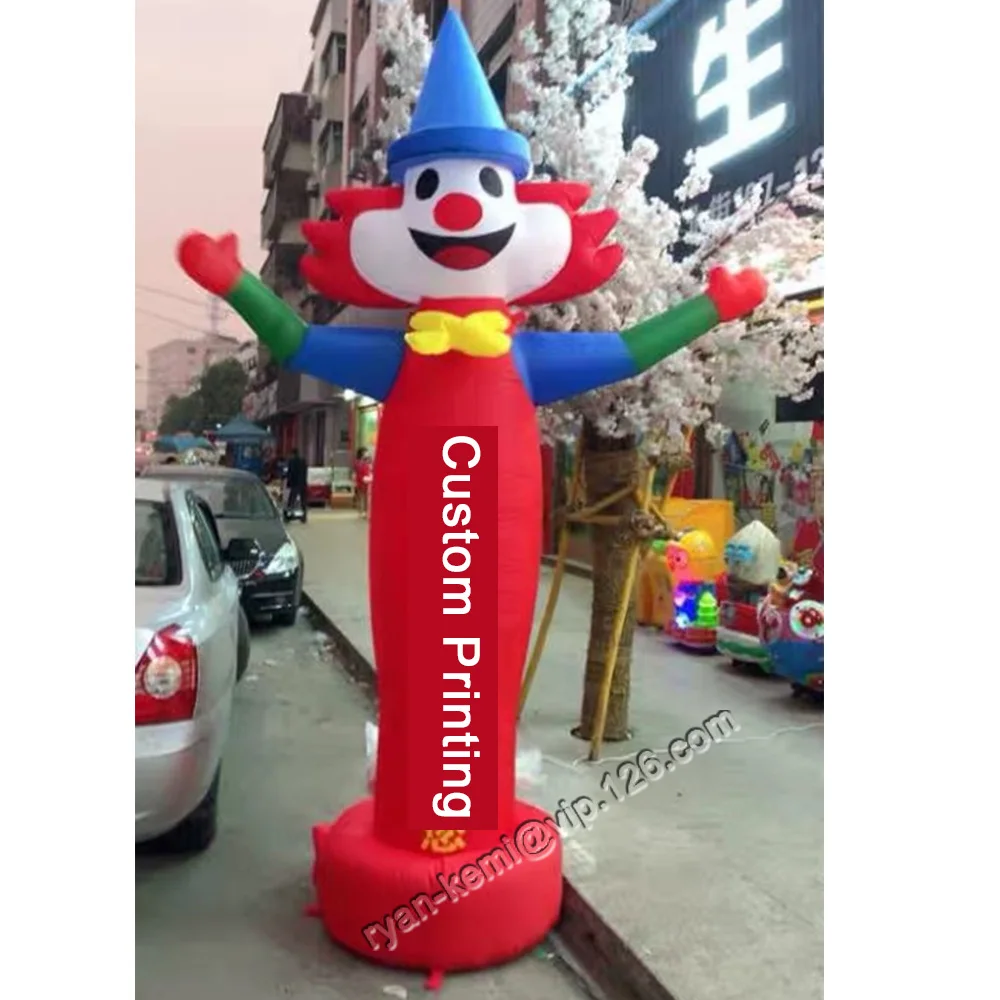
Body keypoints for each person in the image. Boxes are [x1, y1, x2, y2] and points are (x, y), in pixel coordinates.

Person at [285, 448, 309, 522]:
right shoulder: (303, 461)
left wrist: (288, 483)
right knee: (303, 501)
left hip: (295, 483)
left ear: (292, 454)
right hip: (303, 483)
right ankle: (304, 516)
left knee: (291, 500)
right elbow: (305, 472)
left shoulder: (291, 461)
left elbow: (290, 473)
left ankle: (289, 515)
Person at [353, 448, 372, 518]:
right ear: (361, 453)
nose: (366, 453)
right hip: (359, 480)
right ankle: (360, 512)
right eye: (365, 452)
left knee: (366, 497)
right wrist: (354, 481)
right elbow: (355, 472)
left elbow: (369, 469)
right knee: (360, 497)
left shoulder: (367, 461)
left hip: (366, 480)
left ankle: (366, 512)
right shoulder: (357, 462)